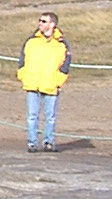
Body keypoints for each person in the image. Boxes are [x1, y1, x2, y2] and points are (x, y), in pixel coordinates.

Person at [17, 10, 72, 152]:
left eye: (44, 21)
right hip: (32, 83)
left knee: (50, 117)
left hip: (51, 85)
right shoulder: (31, 41)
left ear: (52, 24)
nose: (40, 23)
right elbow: (22, 60)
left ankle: (49, 142)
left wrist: (58, 81)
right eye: (40, 21)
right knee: (32, 116)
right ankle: (32, 143)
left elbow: (65, 65)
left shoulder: (61, 44)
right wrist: (23, 75)